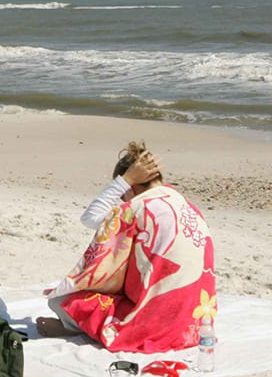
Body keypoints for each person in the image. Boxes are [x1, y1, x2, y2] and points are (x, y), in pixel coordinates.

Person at [37, 142, 216, 352]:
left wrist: (124, 180)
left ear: (131, 187)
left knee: (60, 299)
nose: (122, 201)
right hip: (197, 321)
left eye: (123, 194)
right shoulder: (186, 205)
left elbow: (90, 218)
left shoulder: (138, 208)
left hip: (156, 323)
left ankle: (75, 328)